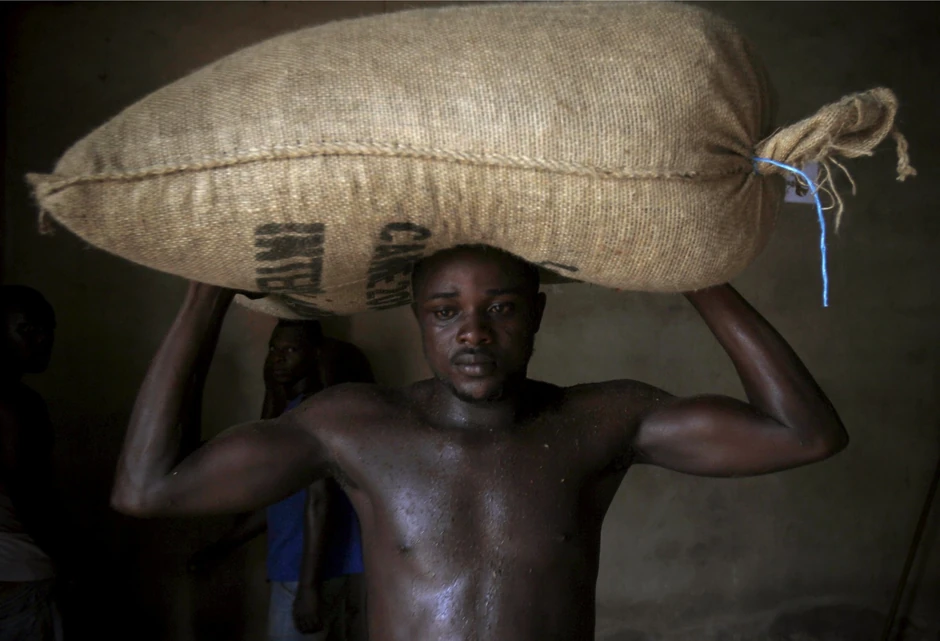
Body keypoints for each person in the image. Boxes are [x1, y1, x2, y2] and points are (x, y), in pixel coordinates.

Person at [111, 244, 848, 641]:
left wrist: (697, 273)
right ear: (418, 320)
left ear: (538, 315)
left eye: (501, 308)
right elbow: (148, 488)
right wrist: (205, 295)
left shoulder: (600, 420)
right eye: (445, 311)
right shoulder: (353, 426)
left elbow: (804, 434)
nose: (473, 332)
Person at [186, 320, 372, 641]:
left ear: (315, 354)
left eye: (291, 349)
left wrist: (308, 588)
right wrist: (222, 547)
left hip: (308, 574)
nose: (278, 357)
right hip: (304, 570)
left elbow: (320, 499)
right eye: (274, 348)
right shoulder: (294, 413)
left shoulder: (311, 414)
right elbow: (281, 503)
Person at [0, 286, 68, 640]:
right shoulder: (16, 404)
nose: (43, 339)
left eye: (48, 328)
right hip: (19, 579)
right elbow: (30, 492)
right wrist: (67, 559)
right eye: (26, 329)